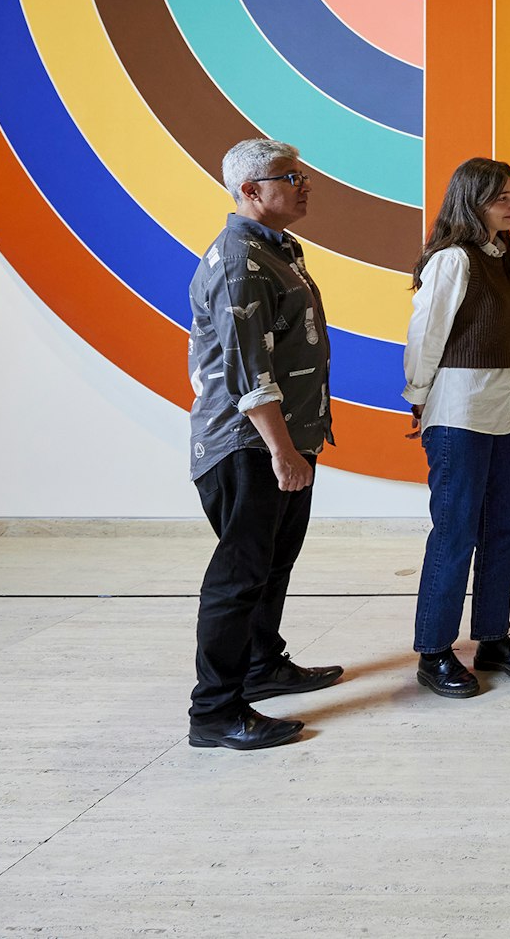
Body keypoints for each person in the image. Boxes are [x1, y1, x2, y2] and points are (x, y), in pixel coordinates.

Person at [186, 138, 345, 751]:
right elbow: (249, 371)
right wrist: (281, 450)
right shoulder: (238, 260)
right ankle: (215, 711)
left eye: (302, 174)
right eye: (289, 177)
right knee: (238, 575)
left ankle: (261, 664)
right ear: (250, 192)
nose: (305, 185)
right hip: (248, 446)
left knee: (272, 564)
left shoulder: (273, 250)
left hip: (285, 442)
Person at [403, 158, 510, 699]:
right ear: (471, 201)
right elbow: (426, 334)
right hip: (459, 415)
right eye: (500, 197)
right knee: (456, 533)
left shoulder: (508, 257)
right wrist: (418, 398)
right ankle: (434, 651)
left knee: (504, 531)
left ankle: (491, 636)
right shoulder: (453, 260)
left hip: (507, 413)